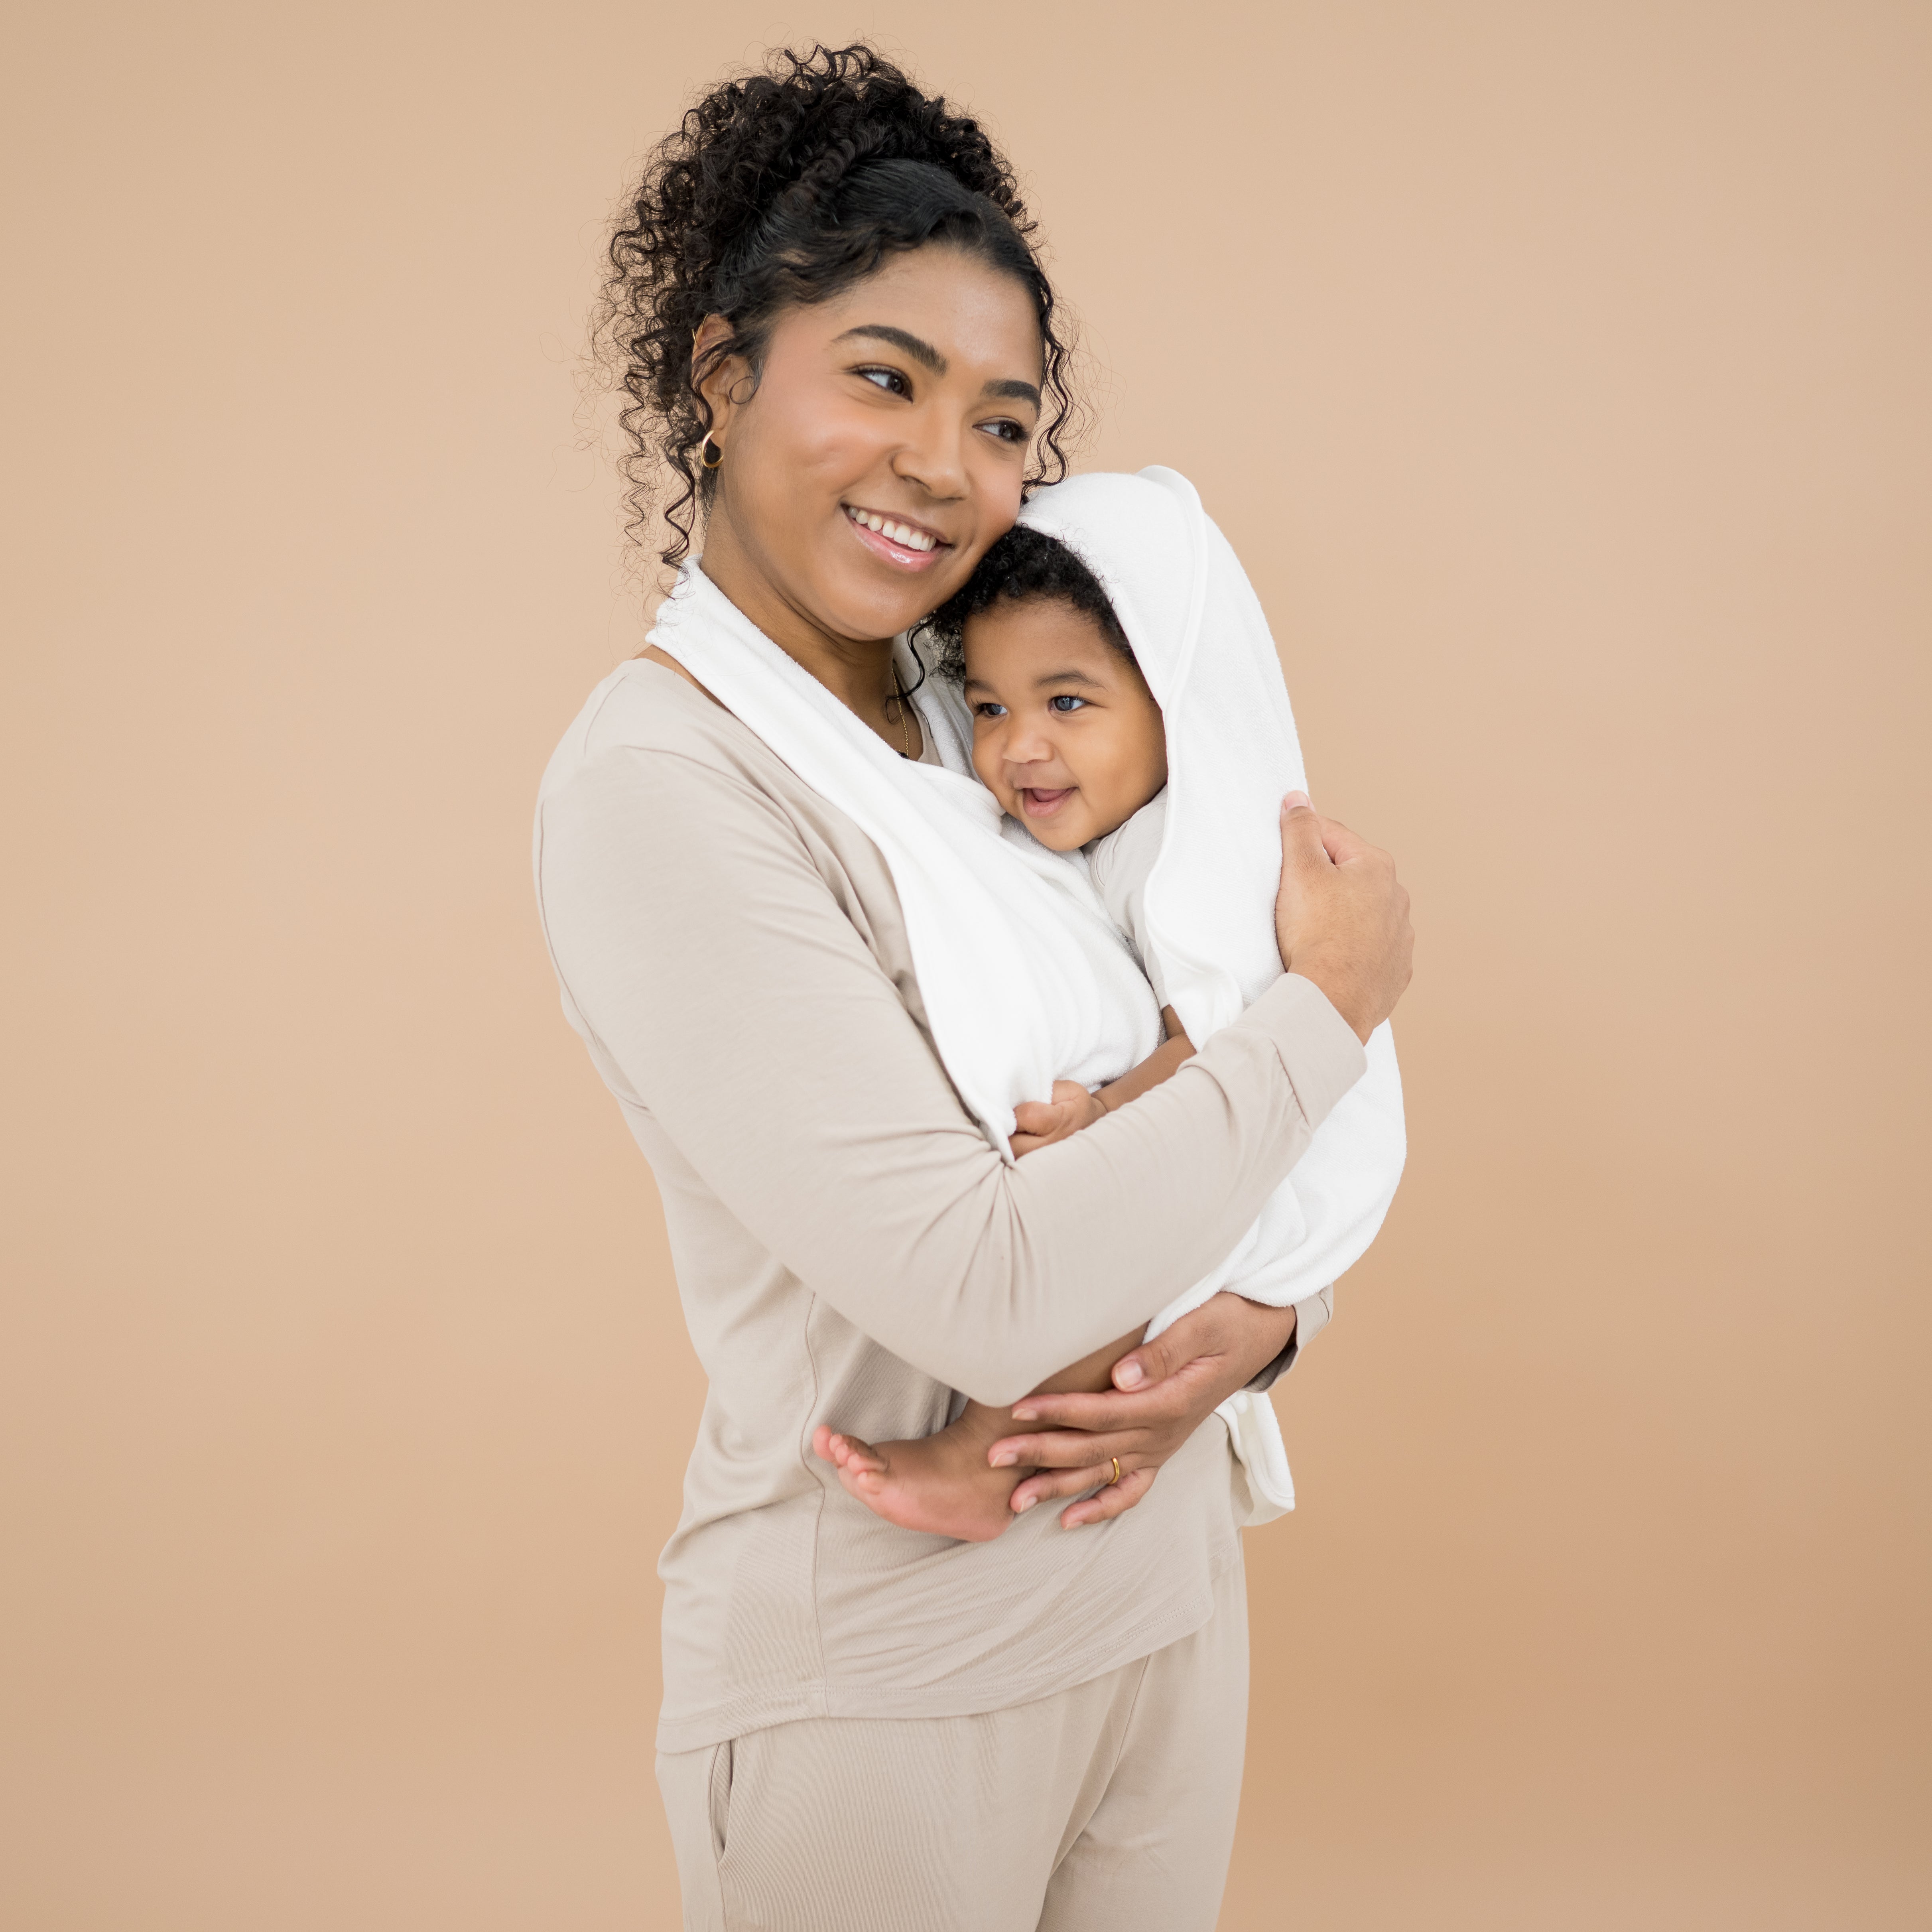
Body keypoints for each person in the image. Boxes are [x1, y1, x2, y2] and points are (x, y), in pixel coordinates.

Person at [536, 43, 1412, 1932]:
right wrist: (1328, 1014)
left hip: (1157, 1592)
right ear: (717, 371)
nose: (946, 465)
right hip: (891, 1674)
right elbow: (982, 1277)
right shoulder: (665, 789)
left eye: (1005, 421)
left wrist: (1252, 1334)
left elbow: (1196, 1016)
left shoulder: (993, 702)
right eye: (883, 379)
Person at [812, 500, 1408, 1544]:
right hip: (1250, 1143)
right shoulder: (1119, 835)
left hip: (1293, 1165)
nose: (1020, 748)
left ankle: (984, 1460)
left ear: (1173, 703)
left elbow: (1219, 1044)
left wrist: (1104, 1113)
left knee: (1132, 1265)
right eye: (989, 708)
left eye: (1070, 702)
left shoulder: (1192, 859)